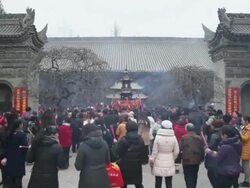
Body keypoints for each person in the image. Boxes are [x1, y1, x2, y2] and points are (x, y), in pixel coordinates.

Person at [75, 124, 111, 188]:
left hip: (87, 178)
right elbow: (108, 161)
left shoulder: (83, 145)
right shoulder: (104, 143)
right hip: (103, 177)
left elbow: (78, 166)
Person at [150, 120, 179, 188]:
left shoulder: (157, 137)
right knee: (169, 181)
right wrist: (173, 157)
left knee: (158, 181)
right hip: (169, 159)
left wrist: (152, 159)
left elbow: (154, 151)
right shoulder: (173, 137)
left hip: (158, 159)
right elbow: (177, 151)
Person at [116, 121, 145, 188]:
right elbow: (143, 152)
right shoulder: (140, 139)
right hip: (137, 165)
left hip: (125, 165)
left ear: (127, 128)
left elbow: (118, 152)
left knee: (123, 183)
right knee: (138, 183)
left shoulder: (124, 140)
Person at [2, 119, 28, 188]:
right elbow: (25, 147)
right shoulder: (22, 135)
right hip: (19, 159)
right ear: (19, 125)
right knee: (19, 180)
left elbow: (5, 146)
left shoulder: (9, 134)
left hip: (10, 158)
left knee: (12, 179)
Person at [180, 123, 204, 188]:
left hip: (186, 160)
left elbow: (180, 148)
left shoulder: (184, 138)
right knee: (194, 175)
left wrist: (180, 158)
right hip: (196, 160)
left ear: (186, 129)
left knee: (188, 176)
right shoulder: (199, 138)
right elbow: (202, 149)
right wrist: (202, 158)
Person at [239, 116, 250, 187]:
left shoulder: (249, 129)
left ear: (246, 121)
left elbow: (245, 138)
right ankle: (246, 180)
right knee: (245, 167)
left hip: (247, 151)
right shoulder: (245, 128)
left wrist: (239, 132)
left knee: (247, 168)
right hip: (244, 150)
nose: (241, 122)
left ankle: (247, 182)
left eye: (242, 120)